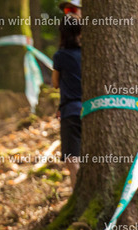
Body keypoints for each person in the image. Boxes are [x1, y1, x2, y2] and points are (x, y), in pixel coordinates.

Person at [52, 16, 82, 190]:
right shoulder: (88, 54)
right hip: (91, 109)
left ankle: (78, 194)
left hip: (70, 112)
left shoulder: (60, 56)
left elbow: (55, 83)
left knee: (72, 158)